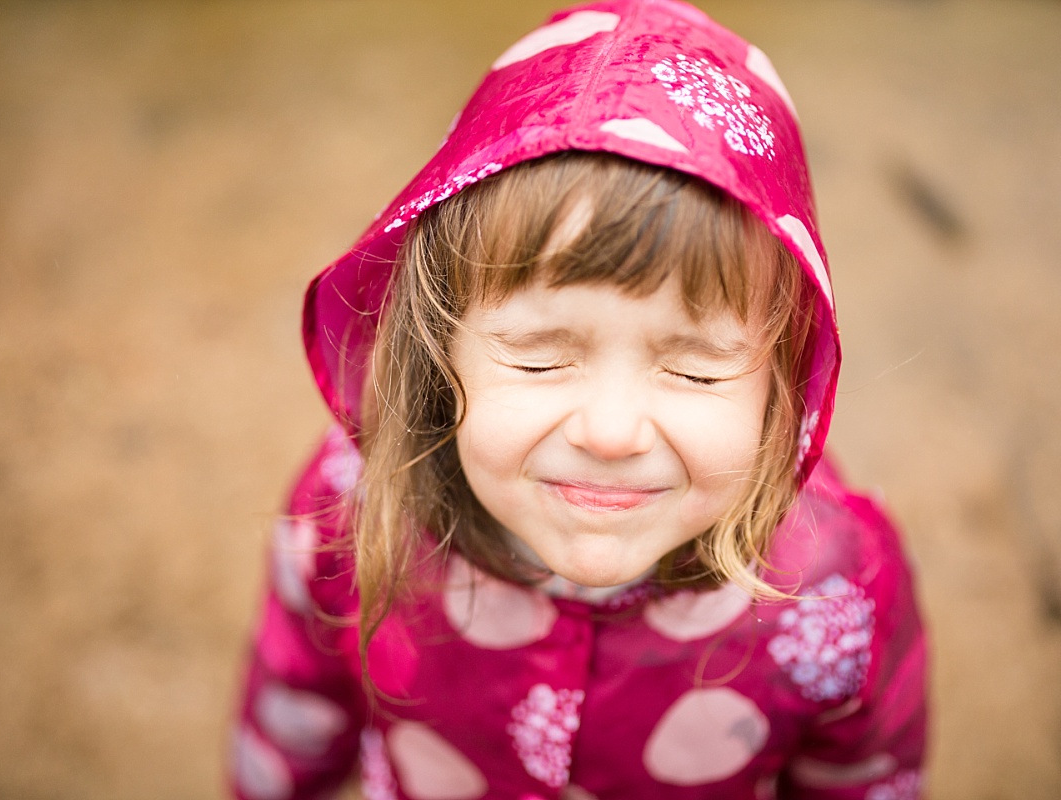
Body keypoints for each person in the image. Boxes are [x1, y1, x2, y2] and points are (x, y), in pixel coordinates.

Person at [229, 1, 928, 798]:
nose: (610, 431)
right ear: (436, 348)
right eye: (539, 359)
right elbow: (291, 706)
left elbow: (868, 778)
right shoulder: (352, 507)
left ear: (785, 383)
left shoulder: (839, 583)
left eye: (696, 372)